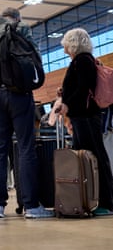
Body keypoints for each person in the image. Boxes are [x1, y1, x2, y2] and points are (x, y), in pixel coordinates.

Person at [0, 7, 53, 219]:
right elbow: (35, 57)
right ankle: (30, 206)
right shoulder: (21, 28)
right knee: (26, 147)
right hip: (19, 95)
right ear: (17, 18)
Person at [56, 28, 113, 215]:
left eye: (65, 41)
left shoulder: (82, 61)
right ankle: (87, 198)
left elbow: (82, 89)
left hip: (86, 116)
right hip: (83, 116)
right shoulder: (81, 61)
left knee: (95, 156)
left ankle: (106, 201)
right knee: (84, 157)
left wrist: (66, 104)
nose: (63, 45)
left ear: (73, 43)